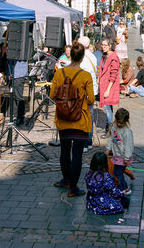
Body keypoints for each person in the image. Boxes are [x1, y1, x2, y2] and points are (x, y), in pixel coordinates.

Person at [51, 42, 95, 197]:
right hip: (80, 119)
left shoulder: (59, 73)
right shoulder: (85, 75)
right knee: (77, 154)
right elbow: (91, 99)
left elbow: (52, 95)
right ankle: (73, 187)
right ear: (83, 57)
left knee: (64, 151)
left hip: (63, 118)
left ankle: (65, 180)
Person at [77, 36, 99, 152]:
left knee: (84, 117)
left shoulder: (82, 57)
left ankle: (84, 142)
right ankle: (89, 141)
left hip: (85, 91)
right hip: (93, 90)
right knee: (89, 116)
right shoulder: (92, 56)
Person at [105, 108, 134, 193]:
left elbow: (129, 145)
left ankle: (124, 189)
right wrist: (108, 148)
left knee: (118, 173)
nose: (119, 124)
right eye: (117, 121)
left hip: (123, 157)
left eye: (121, 123)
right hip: (116, 155)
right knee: (116, 172)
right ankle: (123, 188)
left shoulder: (127, 131)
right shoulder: (114, 126)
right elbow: (111, 138)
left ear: (126, 121)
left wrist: (127, 158)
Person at [99, 38, 120, 135]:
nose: (103, 47)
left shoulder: (113, 57)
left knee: (107, 108)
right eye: (102, 45)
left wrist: (107, 90)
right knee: (109, 107)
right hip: (104, 85)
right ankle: (111, 128)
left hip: (109, 87)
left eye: (105, 45)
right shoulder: (105, 56)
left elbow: (113, 75)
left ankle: (110, 130)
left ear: (110, 45)